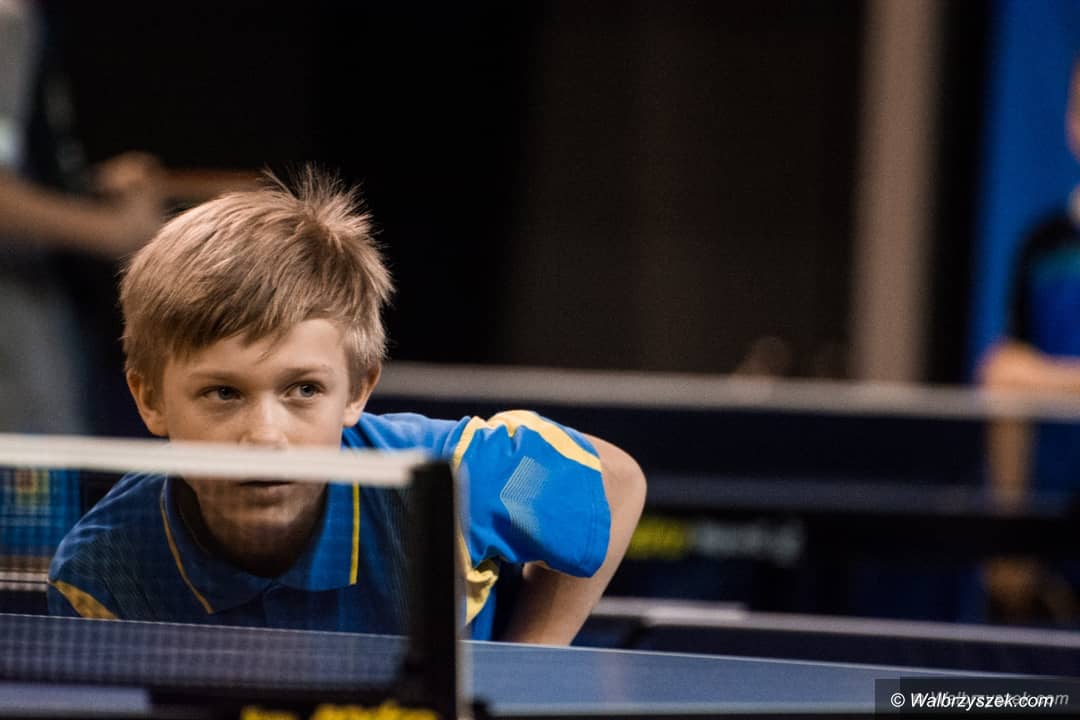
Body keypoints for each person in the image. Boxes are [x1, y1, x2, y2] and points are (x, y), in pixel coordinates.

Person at [46, 170, 646, 643]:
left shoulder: (454, 483)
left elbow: (616, 485)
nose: (266, 435)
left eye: (304, 390)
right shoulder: (106, 572)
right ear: (150, 399)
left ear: (357, 389)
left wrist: (527, 667)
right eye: (223, 393)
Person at [977, 60, 1080, 625]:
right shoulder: (1040, 245)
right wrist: (1008, 537)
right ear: (1071, 121)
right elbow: (1003, 373)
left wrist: (1044, 378)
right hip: (1046, 527)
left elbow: (1023, 373)